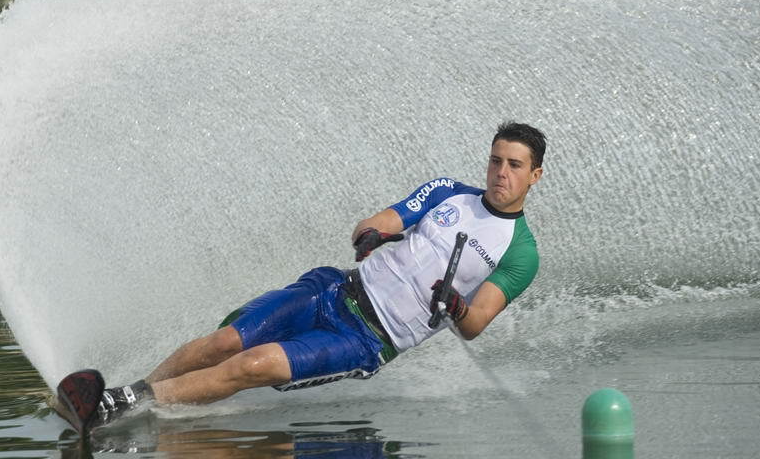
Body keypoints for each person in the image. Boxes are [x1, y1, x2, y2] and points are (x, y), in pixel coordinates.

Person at [56, 122, 546, 433]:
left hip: (367, 340)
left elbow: (475, 321)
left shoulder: (520, 252)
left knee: (254, 365)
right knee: (227, 340)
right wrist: (372, 237)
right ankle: (129, 396)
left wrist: (455, 304)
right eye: (495, 160)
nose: (500, 172)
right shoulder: (447, 193)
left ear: (534, 176)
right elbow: (377, 222)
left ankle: (117, 406)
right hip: (334, 290)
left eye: (514, 165)